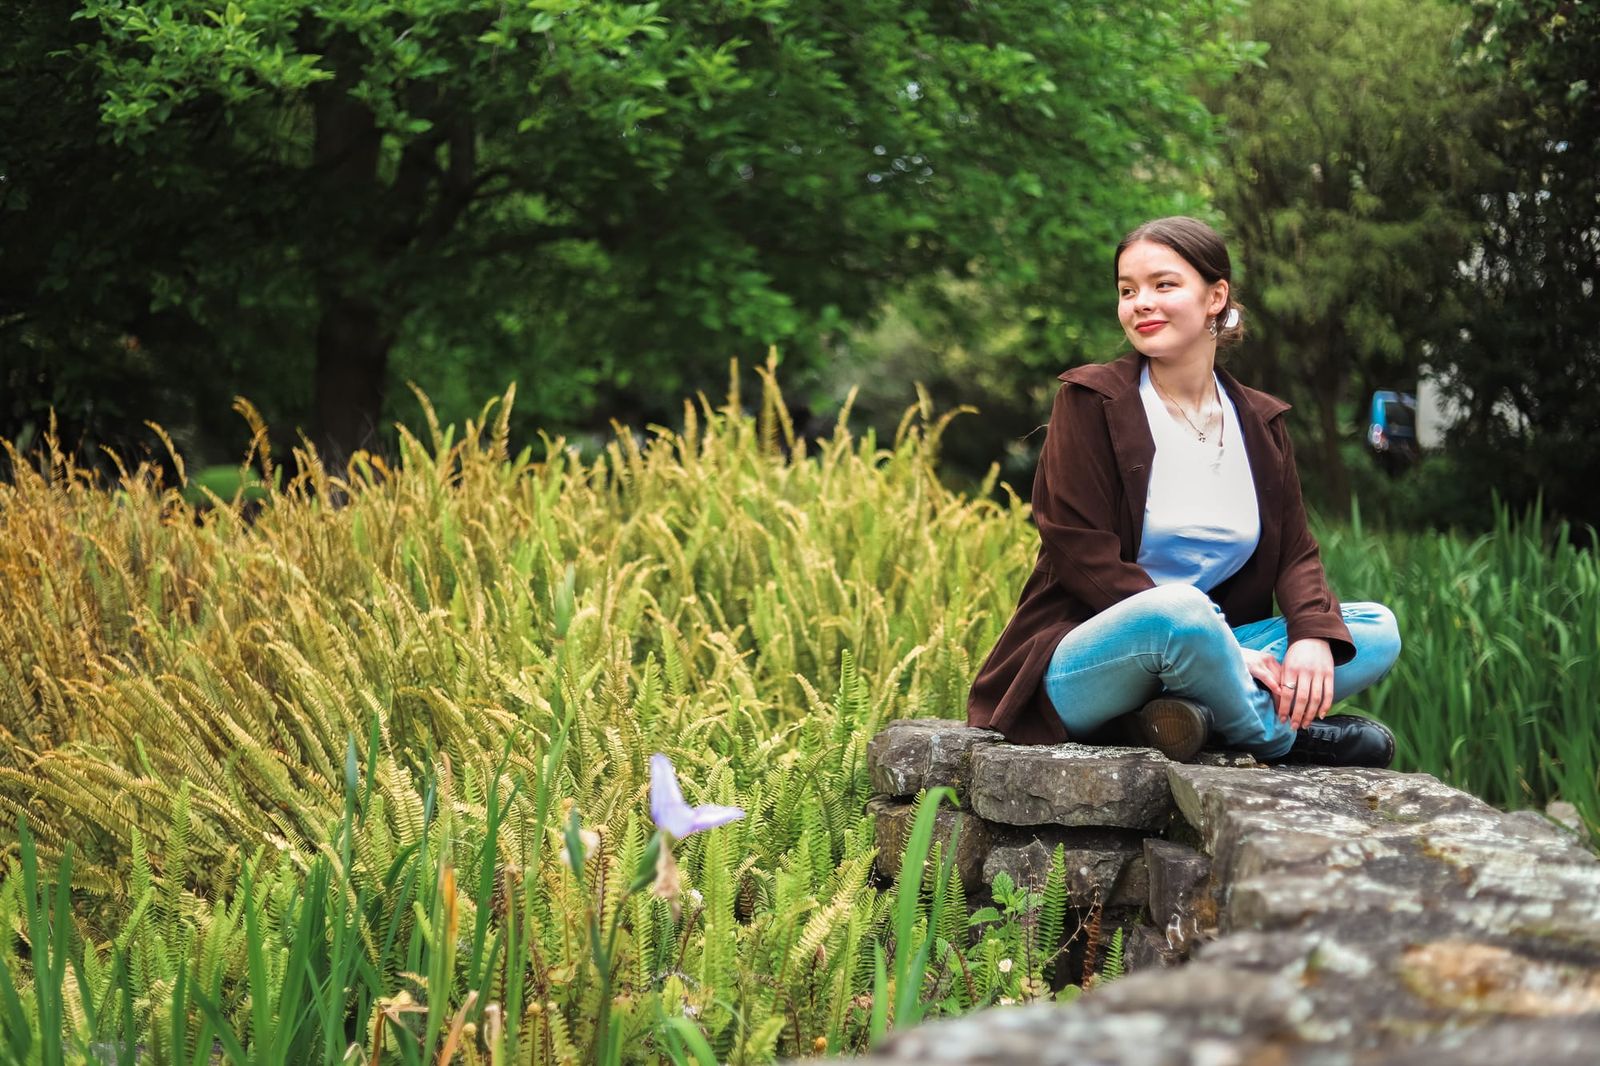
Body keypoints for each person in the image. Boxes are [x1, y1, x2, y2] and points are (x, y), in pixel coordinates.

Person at [966, 216, 1401, 766]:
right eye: (1128, 290)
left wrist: (1312, 635)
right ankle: (1280, 738)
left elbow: (1295, 550)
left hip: (1218, 651)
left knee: (1375, 629)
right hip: (1092, 655)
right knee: (1180, 610)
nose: (1140, 303)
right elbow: (1078, 550)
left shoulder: (1261, 423)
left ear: (1215, 296)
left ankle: (1180, 719)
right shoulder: (1091, 400)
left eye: (1163, 285)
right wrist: (1226, 650)